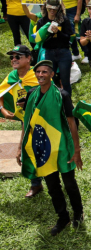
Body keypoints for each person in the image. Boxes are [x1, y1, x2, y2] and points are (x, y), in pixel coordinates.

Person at [17, 60, 82, 236]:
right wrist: (20, 146)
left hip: (62, 147)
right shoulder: (32, 94)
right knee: (53, 186)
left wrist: (76, 150)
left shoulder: (62, 95)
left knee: (69, 184)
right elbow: (27, 121)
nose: (40, 75)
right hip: (43, 148)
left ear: (52, 74)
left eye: (44, 72)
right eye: (38, 72)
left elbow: (71, 123)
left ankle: (78, 214)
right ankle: (63, 217)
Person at [0, 45, 40, 197]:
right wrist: (3, 110)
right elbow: (0, 92)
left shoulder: (38, 74)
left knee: (45, 150)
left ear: (29, 58)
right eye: (12, 57)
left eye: (18, 56)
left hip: (43, 120)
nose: (14, 59)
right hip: (26, 120)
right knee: (28, 151)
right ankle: (36, 184)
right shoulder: (12, 77)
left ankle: (51, 180)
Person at [34, 0, 74, 95]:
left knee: (65, 81)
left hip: (63, 52)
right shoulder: (42, 22)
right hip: (49, 53)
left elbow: (68, 38)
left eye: (55, 8)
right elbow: (39, 40)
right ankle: (52, 101)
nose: (52, 10)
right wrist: (47, 34)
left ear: (58, 8)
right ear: (46, 7)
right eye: (50, 8)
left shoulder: (63, 20)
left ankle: (67, 104)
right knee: (49, 81)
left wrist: (58, 33)